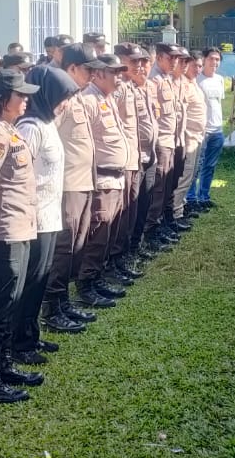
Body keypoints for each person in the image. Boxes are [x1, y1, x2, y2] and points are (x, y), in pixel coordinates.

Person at [0, 68, 42, 403]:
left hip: (21, 225)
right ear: (1, 99)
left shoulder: (10, 132)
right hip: (4, 231)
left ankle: (4, 364)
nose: (26, 100)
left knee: (11, 301)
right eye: (20, 95)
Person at [15, 66, 76, 362]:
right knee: (28, 285)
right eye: (62, 97)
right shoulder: (30, 128)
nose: (65, 103)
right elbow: (16, 176)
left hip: (50, 216)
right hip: (34, 218)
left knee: (40, 281)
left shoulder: (48, 123)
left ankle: (31, 335)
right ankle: (20, 344)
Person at [45, 43, 106, 324]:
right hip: (68, 186)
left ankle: (64, 301)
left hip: (83, 183)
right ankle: (53, 308)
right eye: (87, 69)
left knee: (76, 247)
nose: (92, 75)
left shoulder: (79, 96)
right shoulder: (62, 99)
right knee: (63, 248)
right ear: (71, 69)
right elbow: (49, 141)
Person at [78, 56, 131, 304]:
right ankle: (86, 285)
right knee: (98, 234)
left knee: (108, 232)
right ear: (98, 74)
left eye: (120, 72)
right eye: (113, 73)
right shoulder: (88, 101)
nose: (118, 77)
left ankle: (98, 277)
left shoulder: (106, 99)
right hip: (102, 179)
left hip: (116, 178)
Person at [114, 44, 158, 280]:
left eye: (142, 62)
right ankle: (121, 256)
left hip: (148, 156)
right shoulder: (120, 90)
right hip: (132, 160)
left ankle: (134, 247)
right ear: (121, 61)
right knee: (127, 213)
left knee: (142, 206)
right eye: (134, 62)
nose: (140, 66)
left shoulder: (141, 89)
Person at [144, 43, 184, 254]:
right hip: (161, 142)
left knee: (166, 186)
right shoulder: (154, 81)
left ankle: (160, 225)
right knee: (158, 189)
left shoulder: (167, 80)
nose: (175, 62)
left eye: (177, 58)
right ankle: (151, 232)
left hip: (171, 140)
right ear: (159, 58)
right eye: (171, 58)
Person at [186, 47, 226, 213]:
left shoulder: (220, 79)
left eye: (217, 59)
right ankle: (190, 198)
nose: (214, 62)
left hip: (217, 130)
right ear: (204, 59)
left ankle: (204, 197)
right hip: (201, 131)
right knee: (196, 166)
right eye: (211, 59)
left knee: (209, 166)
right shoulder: (197, 79)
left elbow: (217, 104)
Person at [170, 51, 206, 227]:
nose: (198, 69)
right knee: (185, 176)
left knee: (191, 175)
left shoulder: (193, 83)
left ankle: (181, 208)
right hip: (188, 136)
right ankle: (176, 213)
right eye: (194, 65)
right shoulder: (182, 85)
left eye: (200, 66)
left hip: (198, 136)